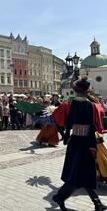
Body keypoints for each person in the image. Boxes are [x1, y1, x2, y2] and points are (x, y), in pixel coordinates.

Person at [52, 77, 107, 211]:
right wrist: (92, 146)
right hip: (86, 143)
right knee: (80, 174)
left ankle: (97, 203)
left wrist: (66, 135)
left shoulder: (72, 103)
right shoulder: (90, 105)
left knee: (82, 174)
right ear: (86, 91)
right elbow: (93, 126)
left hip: (75, 141)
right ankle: (60, 197)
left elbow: (69, 122)